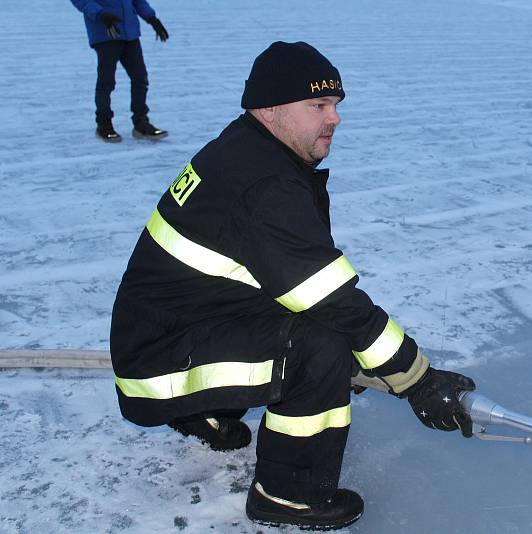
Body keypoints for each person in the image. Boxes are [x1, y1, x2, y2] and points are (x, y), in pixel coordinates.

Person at [109, 41, 476, 530]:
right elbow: (335, 302)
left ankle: (207, 413)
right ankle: (287, 494)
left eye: (336, 106)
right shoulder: (264, 183)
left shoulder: (246, 148)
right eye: (318, 106)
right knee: (320, 346)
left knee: (307, 319)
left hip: (166, 332)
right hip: (158, 363)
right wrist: (418, 380)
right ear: (270, 109)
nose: (335, 119)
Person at [71, 0, 169, 142]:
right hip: (106, 32)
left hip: (130, 33)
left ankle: (141, 124)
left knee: (140, 78)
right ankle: (104, 125)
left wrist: (152, 19)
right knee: (107, 82)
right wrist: (100, 13)